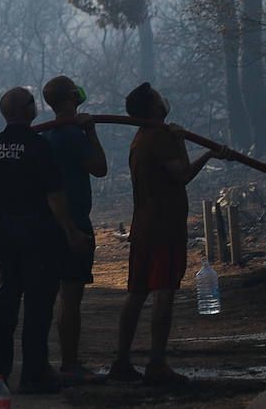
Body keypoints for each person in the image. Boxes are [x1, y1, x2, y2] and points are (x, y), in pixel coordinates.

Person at [0, 86, 87, 394]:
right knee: (38, 306)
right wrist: (71, 232)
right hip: (38, 233)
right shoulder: (38, 145)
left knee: (3, 306)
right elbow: (55, 196)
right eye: (33, 102)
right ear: (27, 110)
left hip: (4, 232)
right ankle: (34, 374)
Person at [108, 82, 221, 385]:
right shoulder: (160, 136)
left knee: (136, 294)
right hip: (165, 228)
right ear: (153, 107)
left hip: (143, 227)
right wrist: (188, 144)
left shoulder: (140, 138)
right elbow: (182, 173)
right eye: (158, 98)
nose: (163, 100)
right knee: (164, 293)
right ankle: (157, 365)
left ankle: (121, 361)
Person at [40, 75, 107, 384]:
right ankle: (69, 364)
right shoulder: (71, 135)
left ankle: (43, 363)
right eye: (73, 86)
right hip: (73, 223)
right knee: (70, 298)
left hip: (46, 224)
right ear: (71, 95)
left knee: (48, 297)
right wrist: (91, 131)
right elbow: (100, 168)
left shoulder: (47, 135)